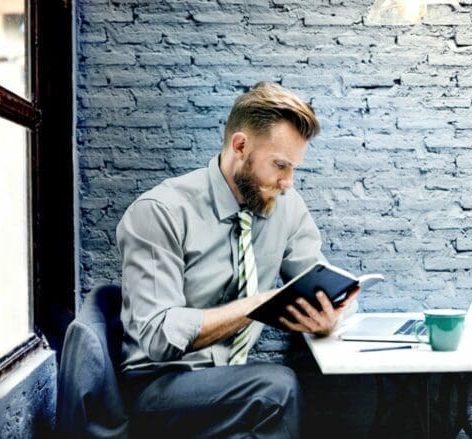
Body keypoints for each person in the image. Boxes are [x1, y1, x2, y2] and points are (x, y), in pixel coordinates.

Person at [116, 82, 359, 438]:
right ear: (240, 146)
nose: (288, 182)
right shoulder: (160, 212)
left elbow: (319, 276)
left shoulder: (285, 206)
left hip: (230, 379)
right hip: (158, 384)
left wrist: (330, 317)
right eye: (280, 165)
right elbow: (157, 336)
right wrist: (256, 305)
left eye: (294, 168)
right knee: (275, 388)